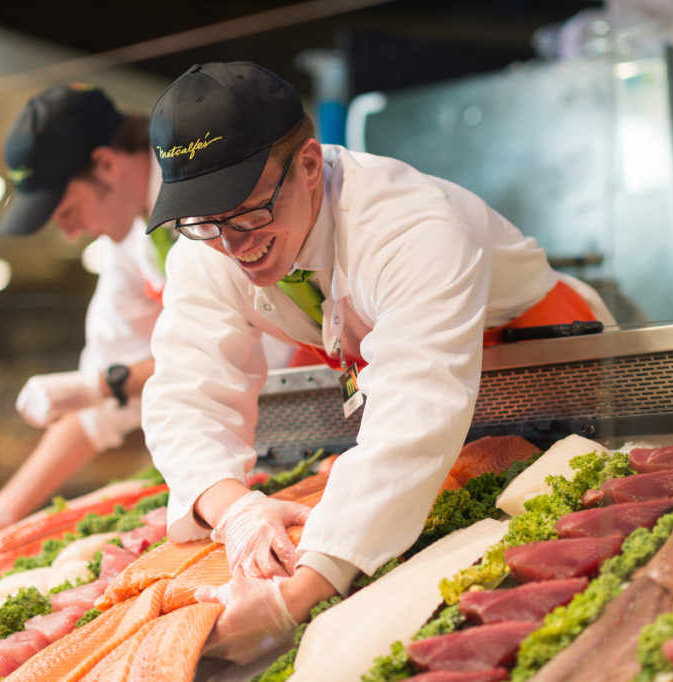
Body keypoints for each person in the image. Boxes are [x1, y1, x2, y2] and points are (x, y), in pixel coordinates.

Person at [139, 61, 616, 662]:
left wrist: (301, 594)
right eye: (203, 220)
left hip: (553, 366)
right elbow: (187, 395)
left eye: (248, 211)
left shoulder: (409, 222)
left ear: (309, 165)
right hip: (422, 388)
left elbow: (415, 413)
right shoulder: (207, 248)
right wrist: (234, 510)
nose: (234, 245)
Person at [0, 84, 295, 541]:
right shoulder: (128, 243)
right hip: (242, 460)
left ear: (107, 164)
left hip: (318, 406)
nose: (69, 234)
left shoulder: (211, 188)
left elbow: (252, 338)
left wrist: (105, 384)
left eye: (67, 211)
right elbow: (96, 410)